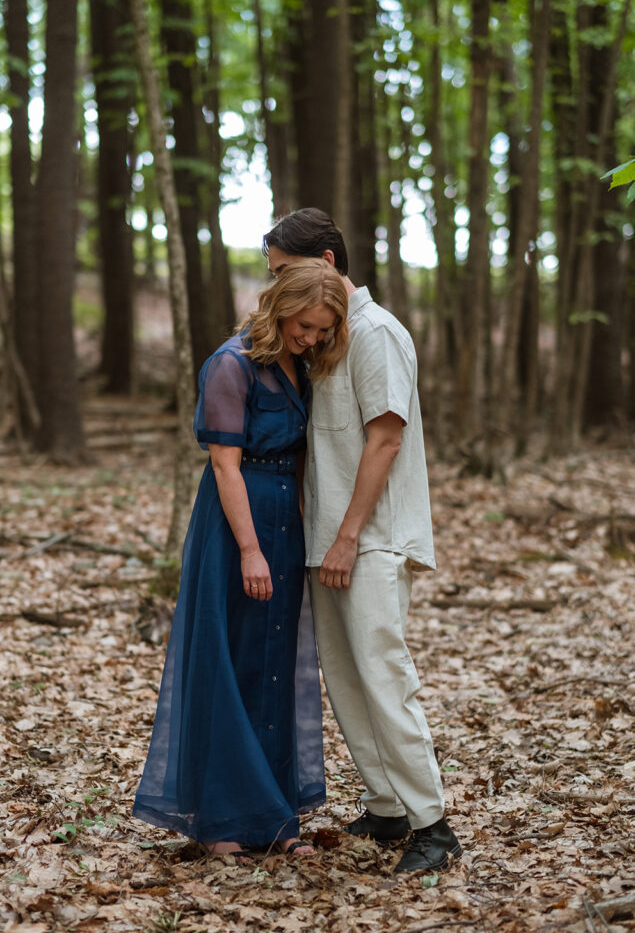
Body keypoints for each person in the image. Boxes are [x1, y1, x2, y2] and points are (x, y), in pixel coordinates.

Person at [262, 208, 461, 875]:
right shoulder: (332, 335)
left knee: (383, 675)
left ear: (325, 260)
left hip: (368, 538)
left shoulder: (375, 333)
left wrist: (348, 537)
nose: (277, 286)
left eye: (285, 271)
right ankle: (386, 806)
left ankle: (432, 825)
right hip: (328, 535)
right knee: (346, 680)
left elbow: (385, 437)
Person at [133, 260, 348, 860]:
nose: (312, 338)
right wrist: (250, 551)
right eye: (305, 325)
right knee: (229, 662)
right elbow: (224, 465)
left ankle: (276, 818)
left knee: (274, 660)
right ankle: (223, 818)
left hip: (285, 520)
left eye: (322, 332)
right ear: (281, 306)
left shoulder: (298, 367)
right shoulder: (232, 364)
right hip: (237, 526)